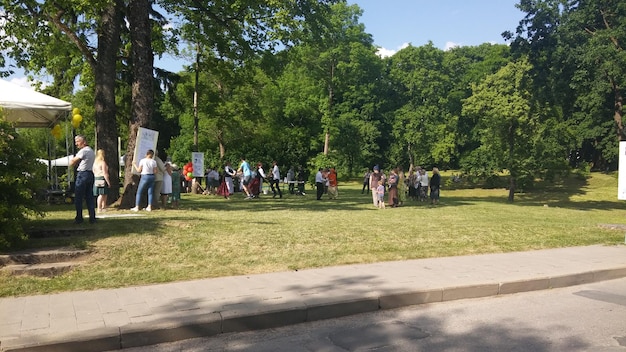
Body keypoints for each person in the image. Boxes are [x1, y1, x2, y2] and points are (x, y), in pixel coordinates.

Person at [70, 135, 96, 224]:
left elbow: (73, 162)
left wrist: (74, 162)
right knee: (89, 197)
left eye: (77, 141)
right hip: (90, 173)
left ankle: (79, 218)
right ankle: (92, 217)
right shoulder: (91, 151)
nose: (76, 144)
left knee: (79, 197)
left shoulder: (83, 151)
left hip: (82, 174)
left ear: (83, 142)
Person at [92, 149, 111, 213]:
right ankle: (99, 208)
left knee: (104, 193)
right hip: (102, 178)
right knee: (101, 194)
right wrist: (108, 182)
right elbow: (105, 173)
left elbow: (93, 171)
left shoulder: (95, 163)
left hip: (96, 178)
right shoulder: (102, 162)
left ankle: (103, 206)